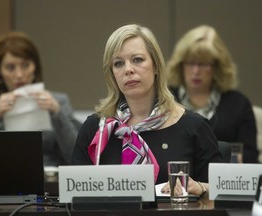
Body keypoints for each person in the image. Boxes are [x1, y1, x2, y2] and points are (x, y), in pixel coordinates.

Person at [71, 24, 223, 197]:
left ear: (156, 66)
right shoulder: (96, 128)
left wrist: (200, 187)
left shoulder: (193, 126)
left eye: (137, 59)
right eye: (118, 63)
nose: (128, 69)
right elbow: (74, 196)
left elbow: (221, 191)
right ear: (112, 74)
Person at [0, 31, 81, 166]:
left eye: (25, 65)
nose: (19, 74)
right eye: (10, 67)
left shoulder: (58, 101)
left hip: (48, 180)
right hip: (0, 178)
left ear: (35, 68)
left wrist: (57, 113)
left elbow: (76, 156)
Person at [166, 25, 258, 163]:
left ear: (217, 67)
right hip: (177, 180)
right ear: (180, 65)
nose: (196, 71)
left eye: (203, 64)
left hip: (225, 180)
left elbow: (250, 155)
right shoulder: (165, 99)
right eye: (190, 63)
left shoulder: (239, 104)